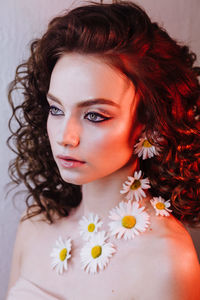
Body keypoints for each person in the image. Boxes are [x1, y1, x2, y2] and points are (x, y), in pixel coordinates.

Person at [6, 1, 200, 299]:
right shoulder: (35, 224)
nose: (65, 137)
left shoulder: (167, 263)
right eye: (56, 109)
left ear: (149, 123)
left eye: (95, 115)